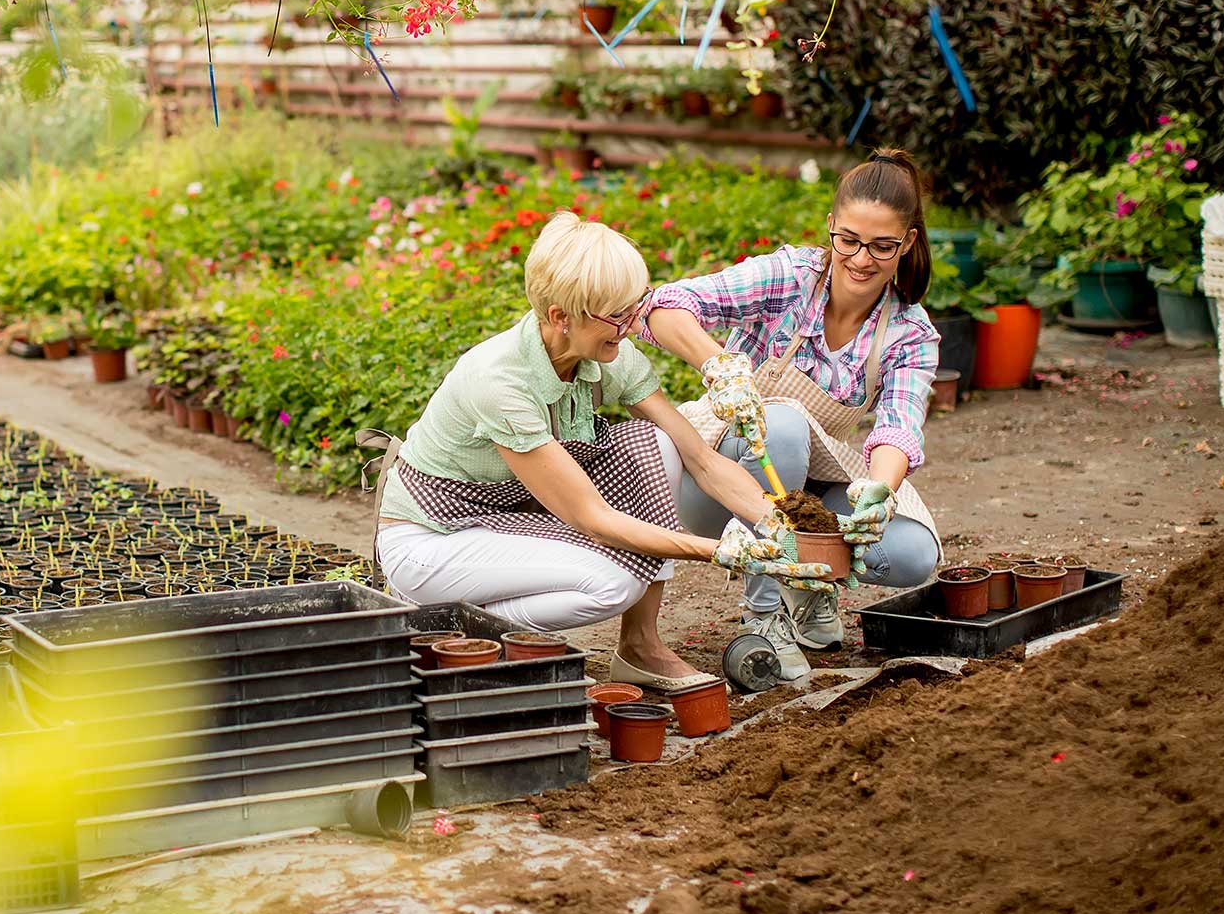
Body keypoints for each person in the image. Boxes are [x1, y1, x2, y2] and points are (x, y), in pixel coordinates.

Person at [365, 212, 831, 694]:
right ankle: (441, 627)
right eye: (615, 315)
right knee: (611, 584)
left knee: (660, 445)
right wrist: (722, 552)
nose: (630, 326)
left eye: (634, 308)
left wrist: (780, 527)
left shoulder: (605, 353)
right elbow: (590, 516)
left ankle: (640, 647)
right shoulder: (499, 382)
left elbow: (700, 458)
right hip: (433, 539)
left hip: (508, 517)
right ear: (560, 317)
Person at [639, 149, 944, 680]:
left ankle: (806, 585)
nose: (861, 259)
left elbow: (899, 424)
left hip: (801, 480)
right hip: (714, 480)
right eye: (848, 240)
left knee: (913, 551)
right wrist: (718, 364)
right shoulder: (789, 278)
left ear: (908, 243)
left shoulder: (909, 333)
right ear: (830, 228)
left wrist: (879, 491)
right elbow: (662, 307)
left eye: (882, 246)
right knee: (782, 424)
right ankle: (764, 619)